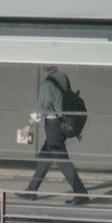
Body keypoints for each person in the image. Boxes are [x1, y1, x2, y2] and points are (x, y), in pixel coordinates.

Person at [23, 67, 90, 196]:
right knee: (45, 157)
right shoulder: (62, 77)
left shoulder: (48, 83)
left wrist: (28, 125)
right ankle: (31, 190)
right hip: (62, 122)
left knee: (63, 161)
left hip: (53, 125)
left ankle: (81, 193)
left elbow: (41, 108)